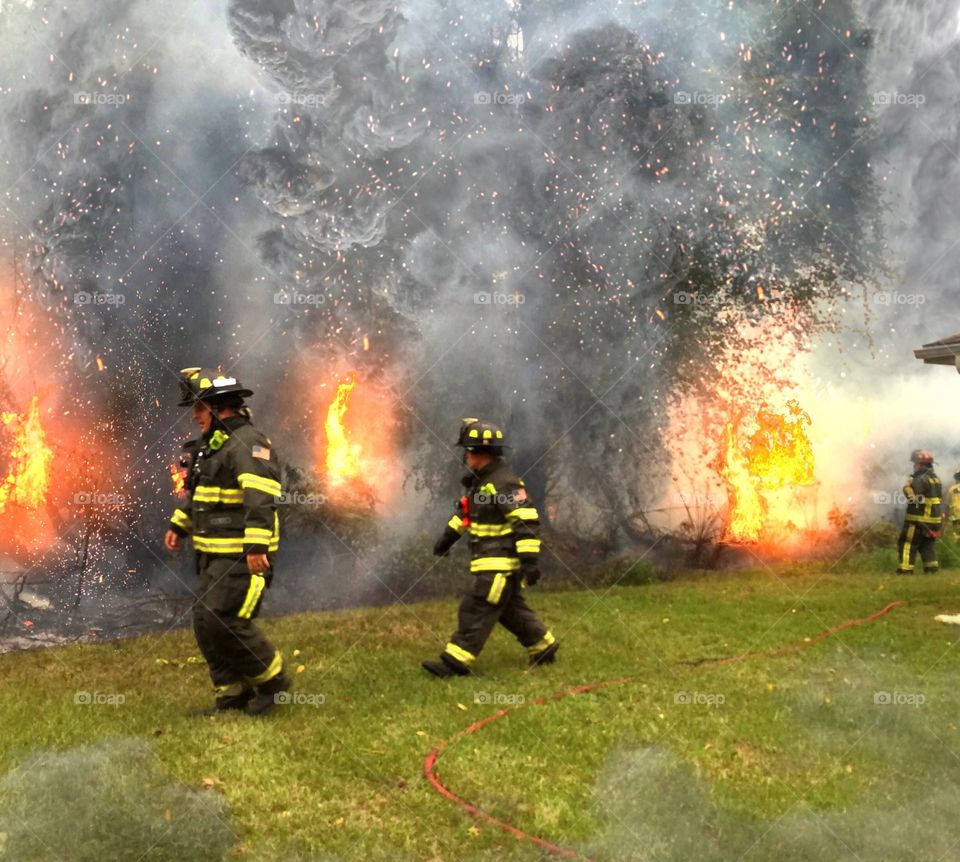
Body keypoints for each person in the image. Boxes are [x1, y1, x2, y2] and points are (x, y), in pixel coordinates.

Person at [164, 367, 289, 715]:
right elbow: (201, 495)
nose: (196, 416)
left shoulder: (249, 443)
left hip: (240, 556)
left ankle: (273, 682)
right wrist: (180, 525)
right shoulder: (211, 447)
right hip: (213, 556)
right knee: (205, 623)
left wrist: (257, 546)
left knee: (223, 619)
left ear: (221, 408)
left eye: (200, 408)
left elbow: (260, 495)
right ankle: (231, 693)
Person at [422, 418, 558, 677]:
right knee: (508, 610)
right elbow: (467, 515)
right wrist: (447, 538)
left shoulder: (503, 484)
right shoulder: (482, 484)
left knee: (476, 607)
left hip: (500, 566)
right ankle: (543, 646)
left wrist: (530, 561)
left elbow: (526, 521)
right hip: (493, 564)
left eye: (468, 450)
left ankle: (455, 662)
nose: (466, 456)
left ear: (479, 452)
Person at [896, 449, 942, 575]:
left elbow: (913, 498)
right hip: (933, 521)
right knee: (928, 545)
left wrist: (907, 487)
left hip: (918, 520)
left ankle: (905, 570)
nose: (914, 466)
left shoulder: (919, 479)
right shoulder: (936, 479)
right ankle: (931, 570)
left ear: (920, 464)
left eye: (915, 464)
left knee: (907, 543)